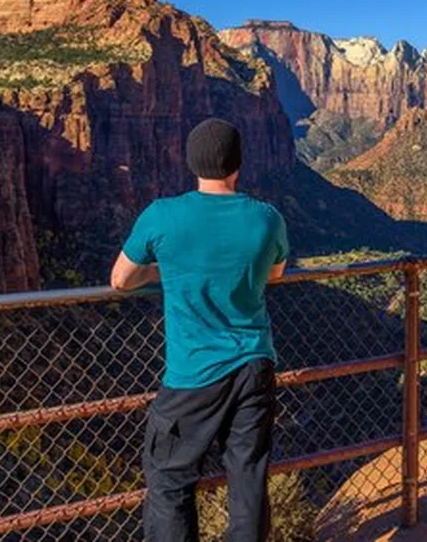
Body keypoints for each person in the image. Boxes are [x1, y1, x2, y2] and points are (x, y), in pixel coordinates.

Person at [110, 118, 288, 542]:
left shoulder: (162, 215)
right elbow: (275, 274)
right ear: (237, 164)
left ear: (192, 163)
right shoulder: (267, 218)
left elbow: (120, 280)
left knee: (169, 480)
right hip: (254, 367)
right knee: (247, 479)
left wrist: (168, 268)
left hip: (192, 376)